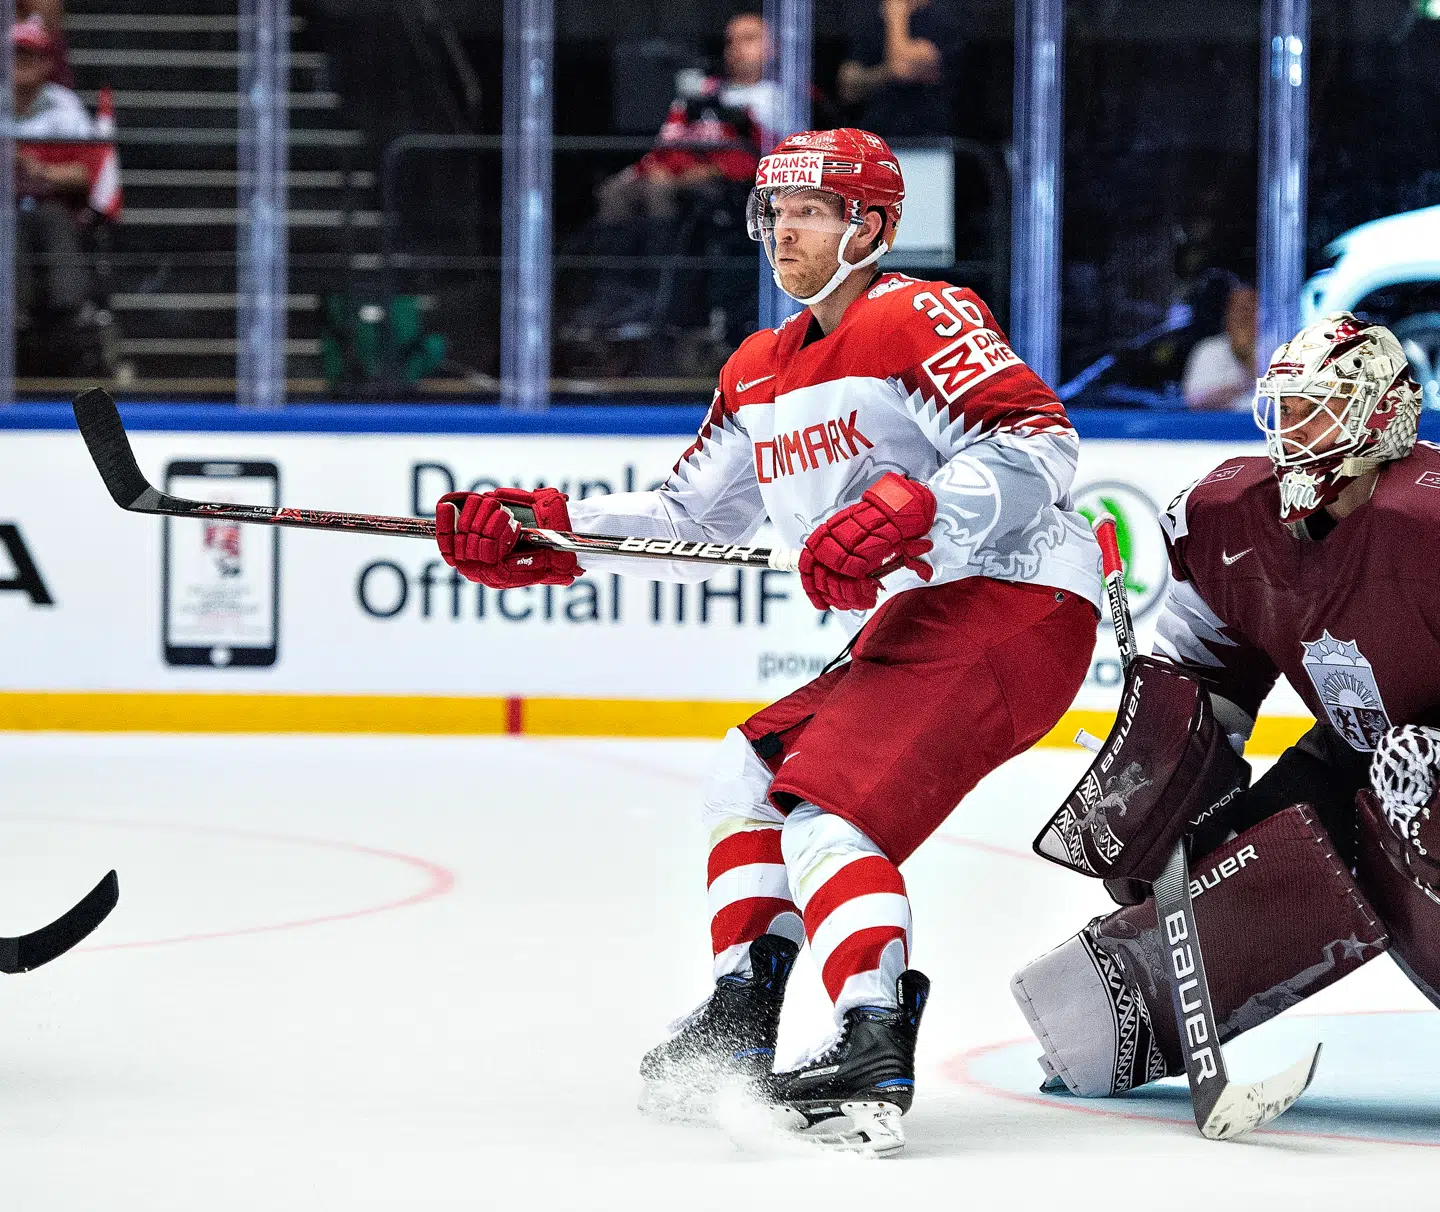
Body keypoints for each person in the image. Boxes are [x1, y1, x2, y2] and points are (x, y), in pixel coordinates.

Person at [436, 127, 1103, 1153]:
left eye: (810, 211)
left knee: (826, 810)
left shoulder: (919, 314)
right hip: (920, 622)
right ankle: (743, 1018)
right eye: (773, 210)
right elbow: (694, 518)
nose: (781, 229)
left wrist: (917, 511)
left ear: (871, 225)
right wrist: (551, 535)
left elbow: (1039, 444)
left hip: (1010, 600)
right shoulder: (756, 369)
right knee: (747, 773)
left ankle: (871, 1038)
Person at [1012, 313, 1440, 1098]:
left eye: (1323, 406)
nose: (1296, 428)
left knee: (1419, 789)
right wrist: (1162, 773)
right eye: (1288, 406)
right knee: (1231, 851)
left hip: (1425, 767)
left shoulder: (1432, 519)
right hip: (1360, 757)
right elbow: (1207, 668)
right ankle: (1115, 1020)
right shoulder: (1227, 516)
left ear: (1384, 416)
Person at [11, 16, 94, 329]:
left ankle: (70, 313)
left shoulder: (66, 105)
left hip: (52, 203)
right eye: (15, 54)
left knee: (49, 216)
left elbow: (87, 174)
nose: (21, 62)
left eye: (30, 55)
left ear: (47, 62)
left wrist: (40, 170)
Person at [837, 0, 963, 137]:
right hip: (877, 137)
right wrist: (884, 73)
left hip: (927, 143)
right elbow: (848, 86)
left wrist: (897, 16)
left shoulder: (942, 16)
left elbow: (902, 68)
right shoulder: (875, 21)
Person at [1180, 279, 1257, 410]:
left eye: (1251, 307)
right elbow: (1195, 400)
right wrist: (1244, 384)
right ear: (1227, 314)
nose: (1244, 315)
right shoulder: (1208, 349)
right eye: (1238, 308)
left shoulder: (1283, 350)